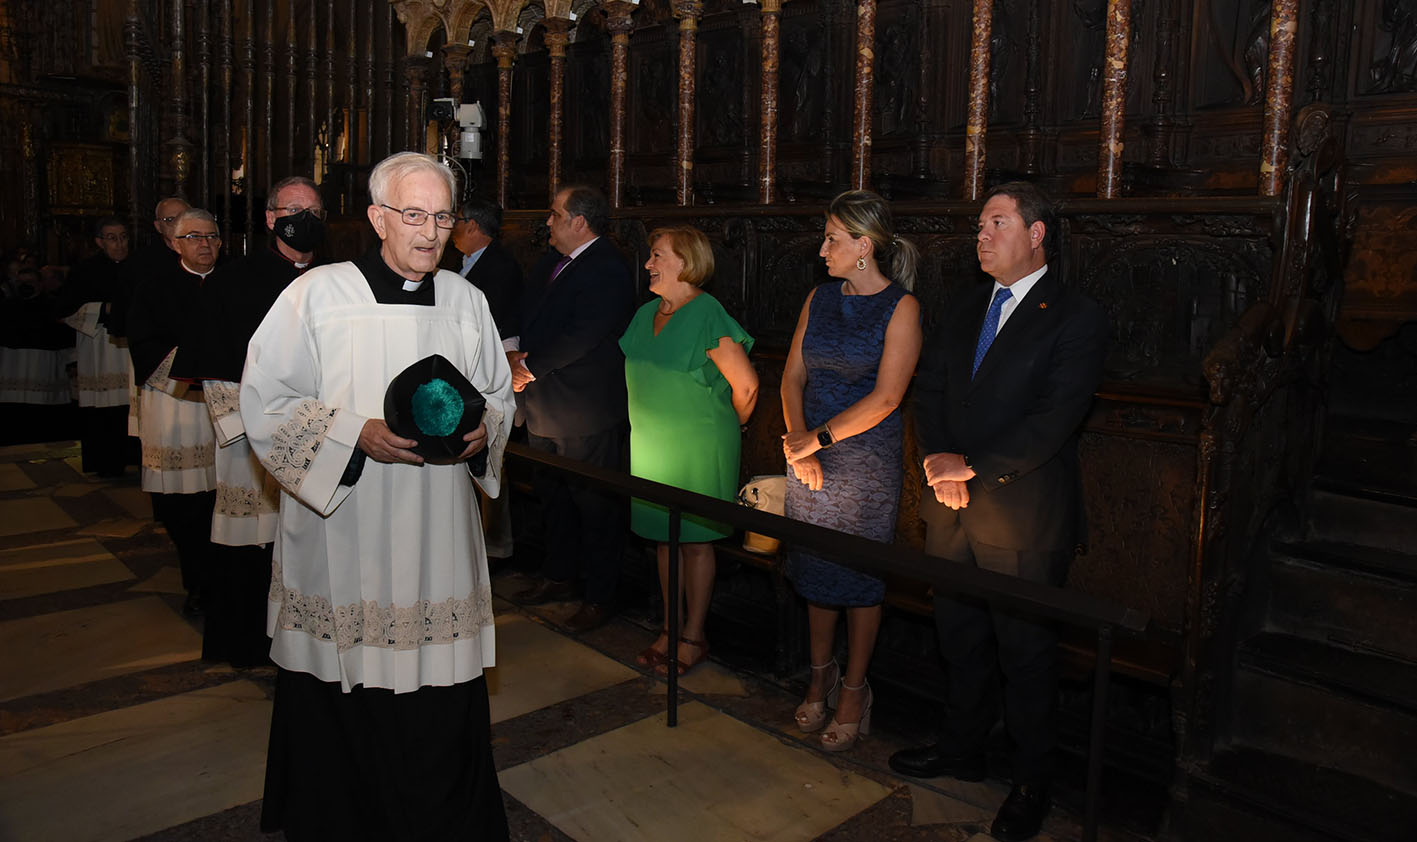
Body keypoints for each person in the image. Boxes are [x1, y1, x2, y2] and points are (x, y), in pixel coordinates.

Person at [241, 152, 513, 841]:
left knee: (437, 681)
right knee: (346, 674)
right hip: (347, 524)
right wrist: (349, 433)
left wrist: (486, 431)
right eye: (412, 215)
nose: (429, 232)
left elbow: (498, 396)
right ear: (376, 218)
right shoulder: (318, 296)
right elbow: (266, 402)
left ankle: (443, 817)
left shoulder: (466, 300)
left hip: (438, 526)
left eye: (442, 216)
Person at [889, 181, 1108, 842]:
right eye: (979, 224)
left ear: (1037, 234)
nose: (980, 235)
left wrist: (973, 466)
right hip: (949, 505)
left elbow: (1056, 416)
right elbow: (928, 389)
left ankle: (1030, 780)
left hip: (1020, 511)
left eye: (997, 222)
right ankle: (962, 746)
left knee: (1025, 653)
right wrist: (934, 458)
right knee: (957, 636)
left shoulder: (1073, 313)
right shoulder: (960, 306)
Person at [781, 190, 922, 752]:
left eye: (833, 238)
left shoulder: (902, 307)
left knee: (860, 579)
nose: (823, 249)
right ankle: (820, 675)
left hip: (864, 463)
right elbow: (792, 376)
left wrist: (818, 439)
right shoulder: (818, 298)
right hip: (808, 455)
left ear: (864, 246)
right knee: (814, 568)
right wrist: (799, 444)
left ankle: (855, 689)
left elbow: (888, 397)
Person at [168, 176, 324, 666]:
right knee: (254, 545)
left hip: (324, 441)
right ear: (270, 218)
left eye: (313, 210)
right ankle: (250, 644)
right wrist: (257, 432)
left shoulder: (339, 281)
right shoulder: (234, 281)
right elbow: (214, 365)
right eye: (292, 209)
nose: (303, 219)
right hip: (254, 445)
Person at [619, 225, 758, 675]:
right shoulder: (645, 315)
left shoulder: (708, 313)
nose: (648, 264)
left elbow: (748, 386)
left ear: (685, 262)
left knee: (696, 542)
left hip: (700, 445)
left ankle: (693, 636)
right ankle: (668, 628)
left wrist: (725, 425)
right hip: (652, 446)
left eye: (657, 256)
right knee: (664, 539)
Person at [509, 184, 634, 633]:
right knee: (554, 498)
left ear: (579, 221)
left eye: (554, 214)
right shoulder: (551, 262)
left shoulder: (608, 267)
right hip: (543, 404)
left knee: (595, 507)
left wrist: (531, 367)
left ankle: (600, 596)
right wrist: (516, 356)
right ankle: (558, 575)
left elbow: (586, 332)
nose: (548, 222)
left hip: (584, 409)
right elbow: (532, 318)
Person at [126, 208, 221, 617]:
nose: (205, 244)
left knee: (225, 498)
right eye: (194, 237)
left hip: (229, 408)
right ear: (176, 243)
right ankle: (197, 582)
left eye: (212, 237)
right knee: (187, 504)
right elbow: (144, 344)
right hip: (178, 405)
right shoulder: (154, 288)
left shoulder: (235, 284)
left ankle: (227, 578)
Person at [451, 196, 522, 559]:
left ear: (473, 226)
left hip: (486, 375)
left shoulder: (499, 266)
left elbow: (496, 326)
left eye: (455, 219)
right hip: (459, 376)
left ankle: (495, 546)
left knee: (490, 461)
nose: (450, 228)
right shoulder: (458, 264)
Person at [55, 218, 134, 476]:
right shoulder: (84, 271)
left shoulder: (139, 267)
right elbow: (65, 309)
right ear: (99, 242)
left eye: (123, 236)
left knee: (130, 406)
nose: (119, 243)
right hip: (99, 347)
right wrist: (103, 309)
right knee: (104, 409)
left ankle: (133, 457)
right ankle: (105, 463)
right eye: (112, 238)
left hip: (131, 349)